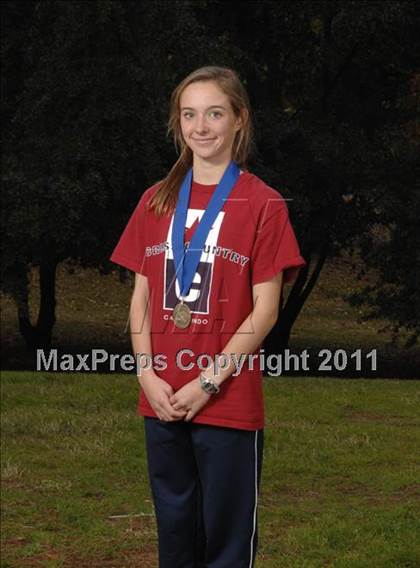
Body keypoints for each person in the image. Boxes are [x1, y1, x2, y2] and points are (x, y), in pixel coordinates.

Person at [110, 66, 306, 568]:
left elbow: (265, 311)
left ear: (239, 119)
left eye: (215, 113)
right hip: (161, 397)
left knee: (226, 542)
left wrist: (209, 382)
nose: (201, 126)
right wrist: (146, 374)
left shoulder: (263, 204)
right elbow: (143, 299)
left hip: (226, 399)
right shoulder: (156, 200)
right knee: (174, 535)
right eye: (190, 114)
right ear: (178, 123)